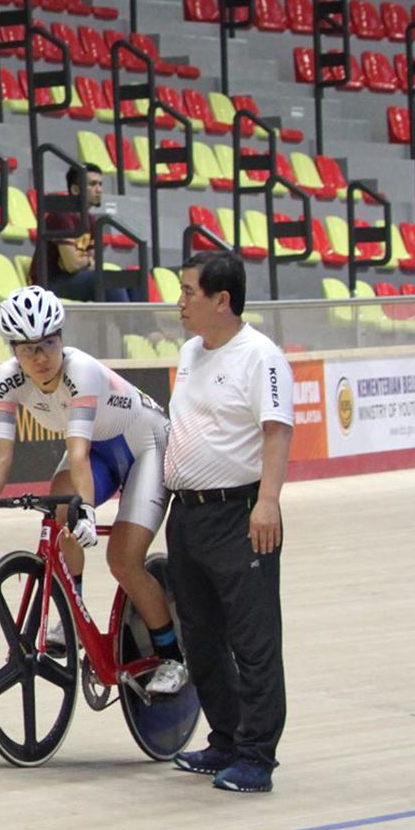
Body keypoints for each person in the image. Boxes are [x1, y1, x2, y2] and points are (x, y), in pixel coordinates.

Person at [0, 286, 186, 694]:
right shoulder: (6, 382)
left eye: (49, 344)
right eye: (28, 350)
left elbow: (77, 452)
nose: (40, 358)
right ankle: (70, 613)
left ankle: (172, 657)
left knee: (123, 561)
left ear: (62, 338)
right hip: (99, 449)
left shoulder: (82, 371)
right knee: (59, 508)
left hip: (145, 447)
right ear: (13, 351)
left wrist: (89, 514)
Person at [163, 253, 293, 793]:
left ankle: (257, 756)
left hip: (239, 514)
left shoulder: (262, 357)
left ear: (223, 299)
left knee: (252, 638)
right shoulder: (191, 351)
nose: (180, 302)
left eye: (189, 291)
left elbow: (277, 430)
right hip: (186, 514)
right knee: (200, 636)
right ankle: (225, 739)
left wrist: (268, 501)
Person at [35, 164, 132, 303]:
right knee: (104, 279)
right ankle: (129, 325)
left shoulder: (90, 220)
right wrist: (87, 260)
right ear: (75, 189)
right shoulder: (60, 217)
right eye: (92, 184)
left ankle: (146, 324)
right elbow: (72, 265)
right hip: (50, 284)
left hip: (75, 278)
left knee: (131, 280)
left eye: (100, 184)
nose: (99, 190)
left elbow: (95, 260)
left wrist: (84, 260)